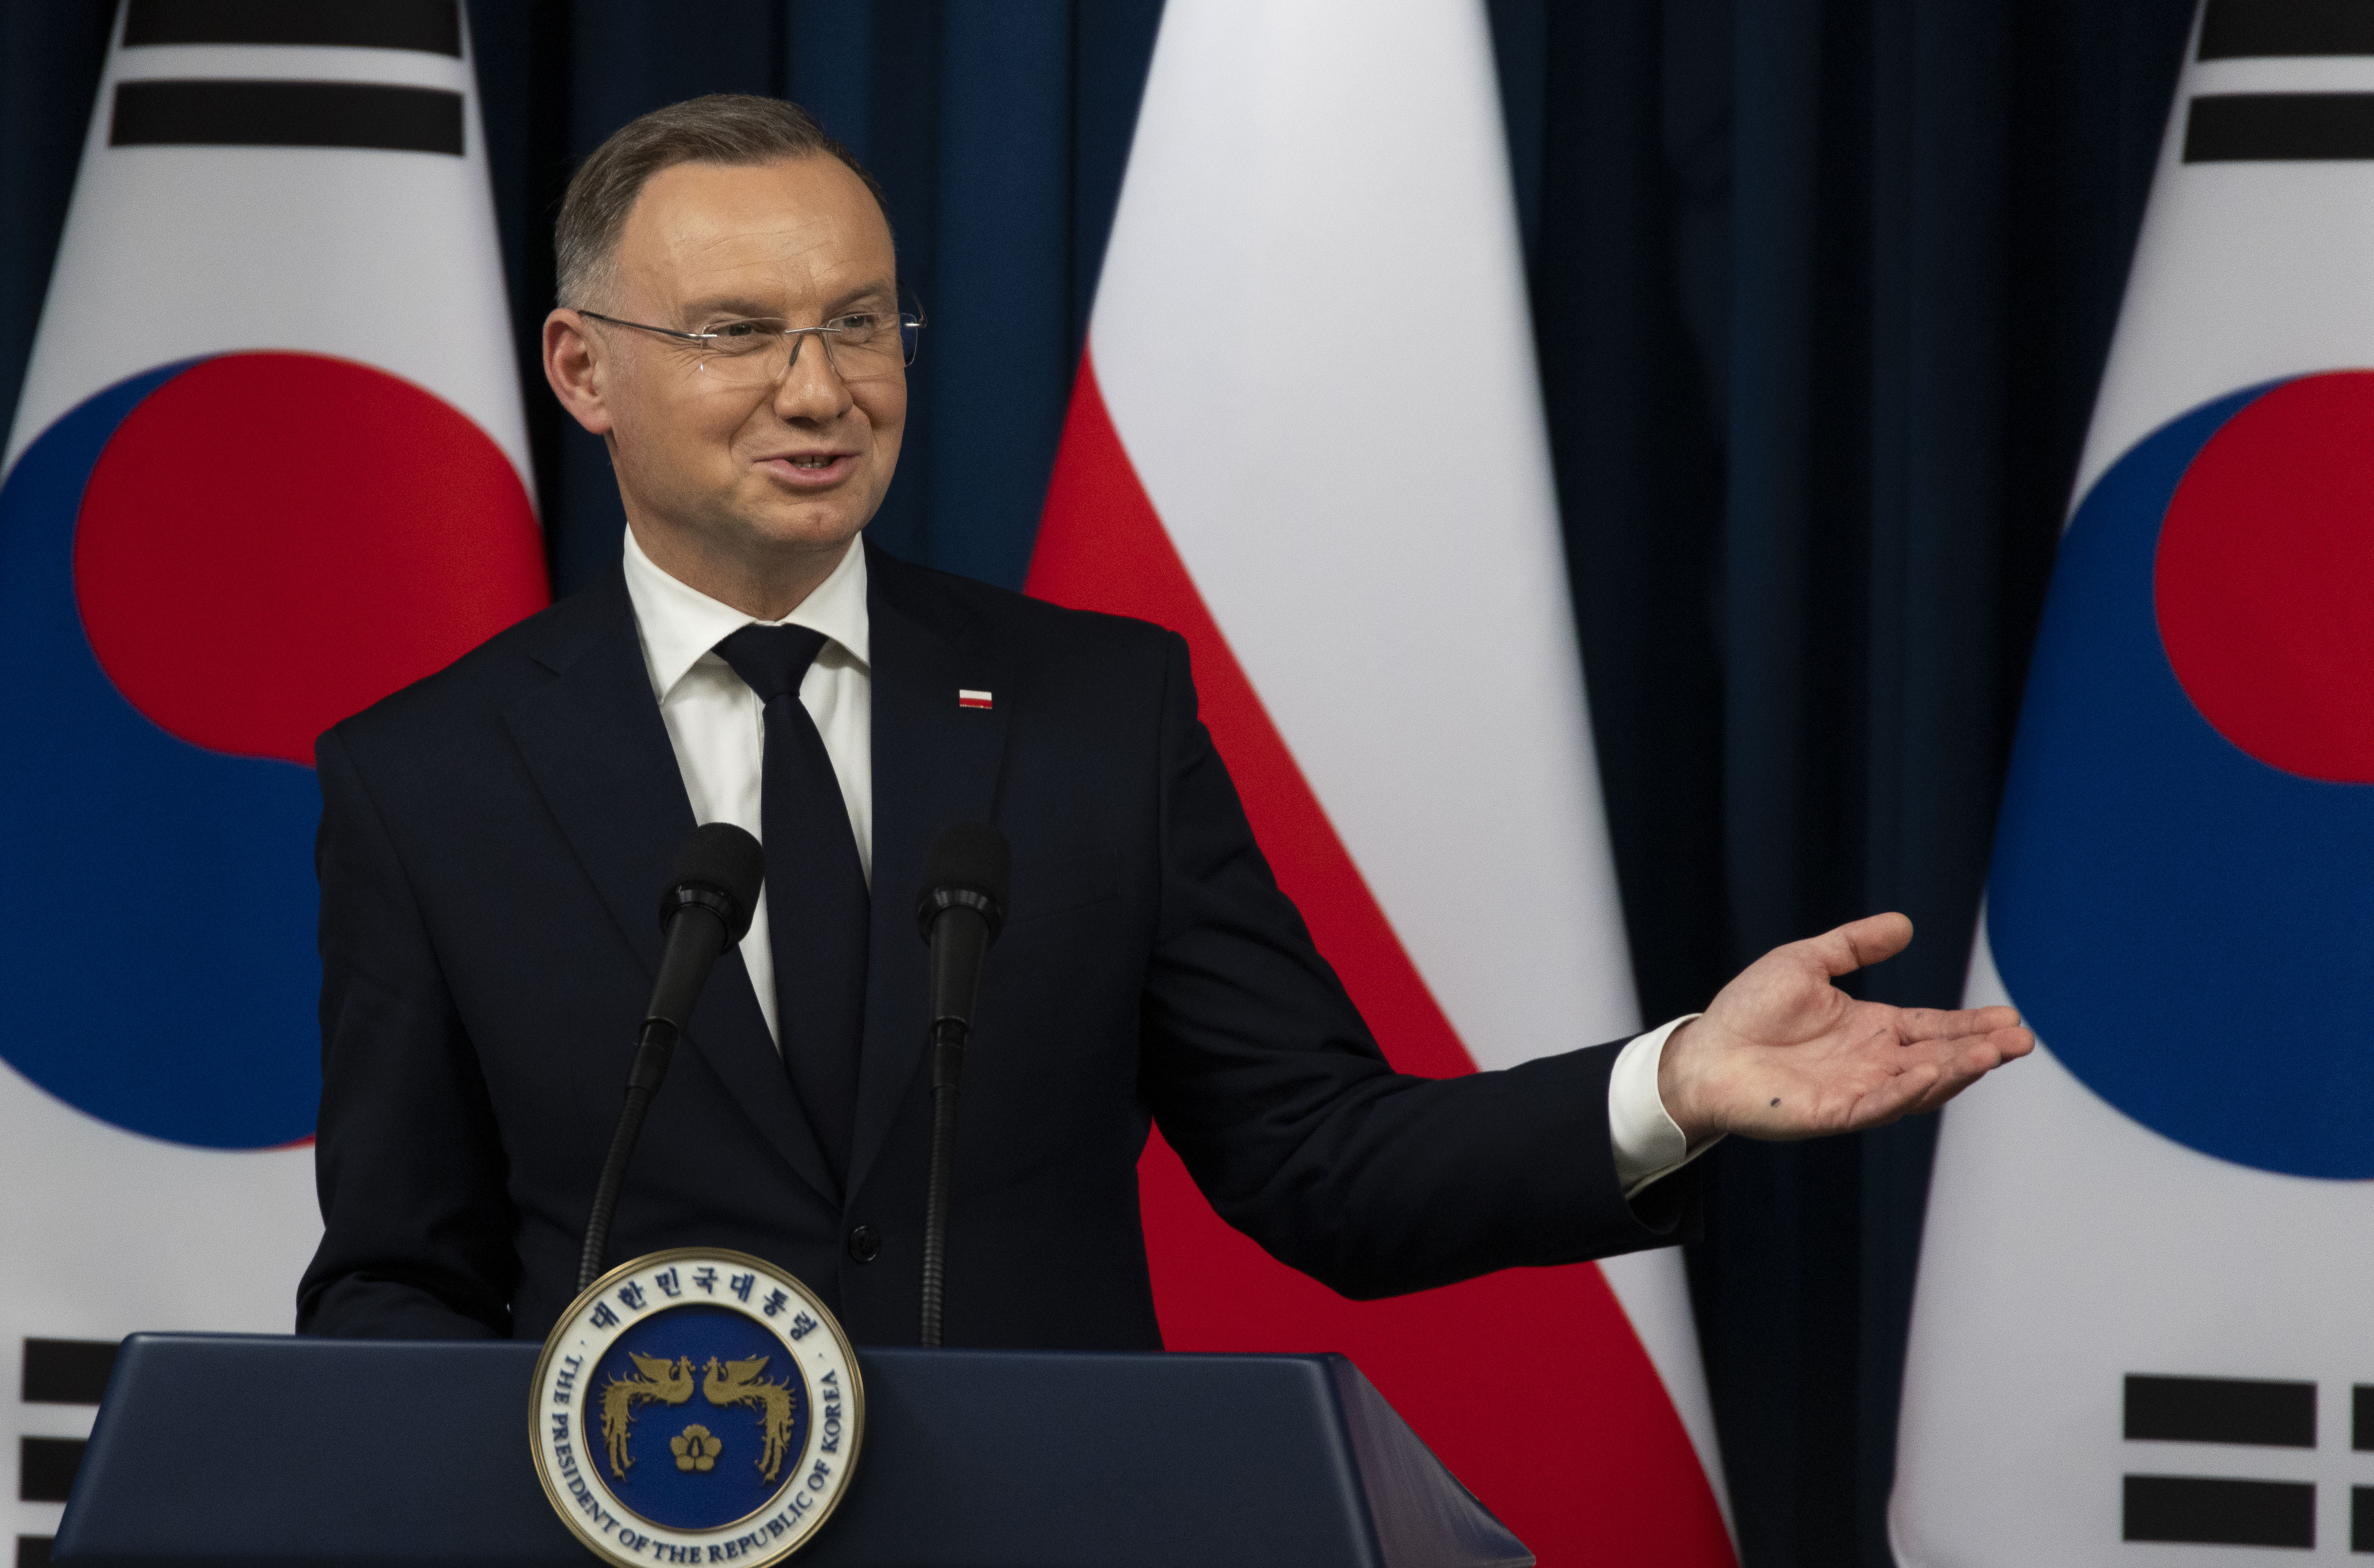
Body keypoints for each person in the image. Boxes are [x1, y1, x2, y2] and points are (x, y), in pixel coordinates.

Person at [296, 96, 2030, 1345]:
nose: (819, 390)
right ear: (584, 368)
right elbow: (399, 1274)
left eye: (856, 323)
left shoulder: (1089, 713)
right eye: (740, 335)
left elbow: (1317, 1160)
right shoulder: (430, 778)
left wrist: (1674, 1086)